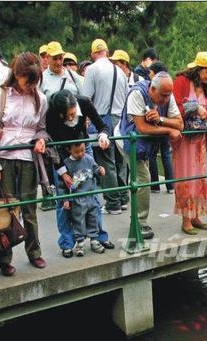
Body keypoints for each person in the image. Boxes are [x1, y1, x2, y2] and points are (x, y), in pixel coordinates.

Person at [0, 52, 48, 276]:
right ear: (17, 74)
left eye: (35, 82)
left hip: (28, 157)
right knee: (6, 208)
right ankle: (3, 257)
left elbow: (41, 128)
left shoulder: (40, 98)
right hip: (4, 157)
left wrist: (40, 139)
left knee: (30, 207)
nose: (31, 86)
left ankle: (34, 252)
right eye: (27, 81)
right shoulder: (0, 95)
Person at [46, 89, 115, 257]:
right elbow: (53, 147)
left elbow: (103, 126)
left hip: (84, 148)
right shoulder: (52, 113)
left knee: (91, 195)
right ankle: (68, 242)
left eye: (72, 114)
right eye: (66, 116)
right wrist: (63, 173)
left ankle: (97, 236)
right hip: (62, 154)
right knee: (63, 201)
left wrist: (103, 136)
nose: (70, 118)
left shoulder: (84, 103)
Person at [120, 71, 183, 239]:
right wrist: (170, 129)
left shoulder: (167, 96)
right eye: (162, 95)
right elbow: (143, 128)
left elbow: (180, 124)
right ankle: (139, 223)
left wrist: (161, 119)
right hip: (127, 141)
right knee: (143, 179)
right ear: (152, 89)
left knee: (139, 180)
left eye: (168, 95)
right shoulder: (137, 93)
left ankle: (136, 215)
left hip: (146, 146)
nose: (165, 99)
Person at [171, 52, 207, 235]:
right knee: (186, 177)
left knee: (200, 178)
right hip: (184, 140)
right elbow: (174, 107)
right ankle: (185, 219)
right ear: (198, 70)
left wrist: (205, 113)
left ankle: (196, 215)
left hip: (201, 140)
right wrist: (195, 107)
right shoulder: (182, 81)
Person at [81, 39, 128, 215]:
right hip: (120, 119)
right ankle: (123, 198)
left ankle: (113, 203)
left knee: (106, 163)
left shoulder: (92, 70)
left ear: (93, 54)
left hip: (101, 120)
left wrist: (85, 120)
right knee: (120, 161)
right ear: (107, 52)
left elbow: (85, 99)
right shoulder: (120, 71)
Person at [62, 142, 106, 256]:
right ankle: (80, 242)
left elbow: (95, 169)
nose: (80, 154)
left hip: (91, 195)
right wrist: (65, 199)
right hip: (77, 198)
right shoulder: (67, 163)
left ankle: (94, 240)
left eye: (82, 150)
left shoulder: (89, 159)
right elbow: (62, 185)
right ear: (69, 150)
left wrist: (100, 170)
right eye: (77, 152)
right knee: (78, 220)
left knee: (93, 218)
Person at [145, 62, 174, 194]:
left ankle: (155, 185)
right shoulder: (168, 92)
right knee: (166, 154)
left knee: (152, 155)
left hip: (156, 127)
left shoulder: (155, 90)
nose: (149, 75)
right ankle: (170, 185)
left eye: (151, 73)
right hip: (166, 126)